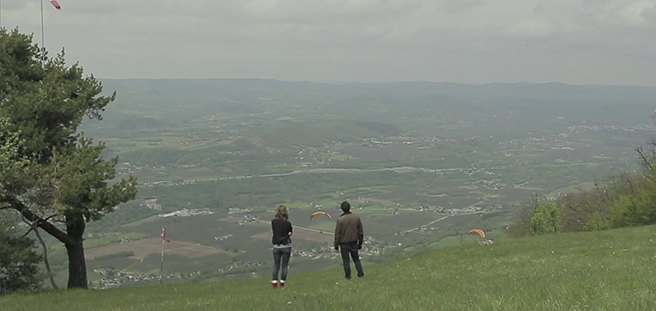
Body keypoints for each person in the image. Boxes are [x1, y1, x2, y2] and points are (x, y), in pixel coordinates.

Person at [334, 201, 364, 279]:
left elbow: (338, 234)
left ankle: (348, 276)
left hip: (344, 244)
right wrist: (360, 243)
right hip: (354, 242)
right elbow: (360, 232)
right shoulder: (356, 218)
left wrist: (336, 245)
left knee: (346, 261)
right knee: (356, 259)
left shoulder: (340, 220)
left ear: (342, 209)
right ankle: (360, 274)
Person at [271, 205, 293, 288]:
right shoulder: (287, 223)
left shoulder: (273, 222)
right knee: (284, 265)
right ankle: (282, 284)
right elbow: (290, 233)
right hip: (286, 246)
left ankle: (274, 284)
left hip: (276, 246)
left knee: (276, 265)